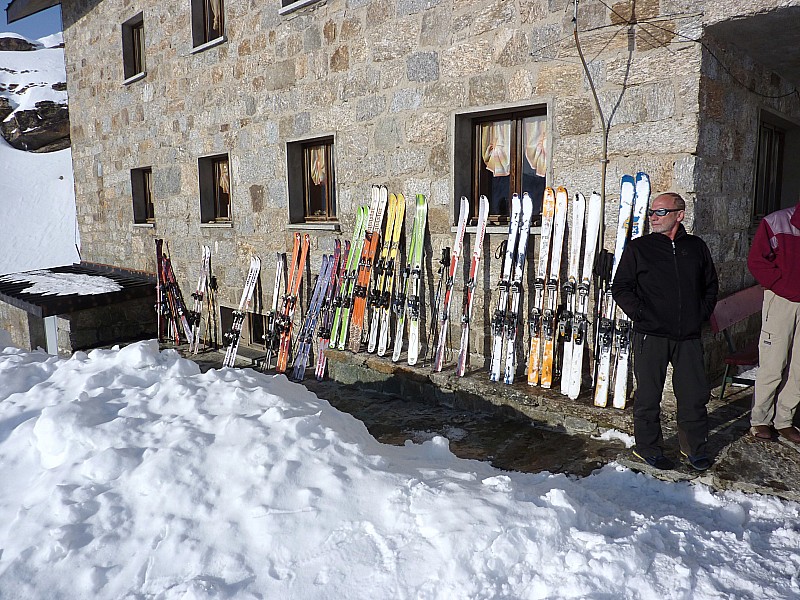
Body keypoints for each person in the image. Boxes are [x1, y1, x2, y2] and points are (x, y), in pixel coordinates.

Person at [612, 192, 719, 471]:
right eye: (651, 212)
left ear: (679, 215)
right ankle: (648, 448)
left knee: (694, 396)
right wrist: (642, 314)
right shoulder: (640, 248)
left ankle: (694, 448)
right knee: (648, 396)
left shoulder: (695, 247)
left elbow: (710, 286)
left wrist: (700, 314)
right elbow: (621, 287)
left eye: (660, 212)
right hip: (652, 335)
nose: (653, 217)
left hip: (688, 337)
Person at [747, 199, 800, 443]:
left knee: (799, 367)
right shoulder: (776, 222)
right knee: (773, 362)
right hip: (781, 301)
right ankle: (760, 419)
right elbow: (757, 261)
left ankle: (785, 420)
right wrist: (783, 284)